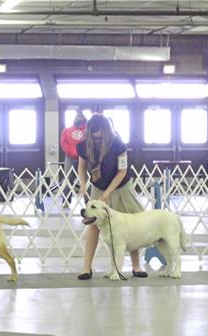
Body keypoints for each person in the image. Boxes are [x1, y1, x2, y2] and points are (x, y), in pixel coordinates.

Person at [76, 114, 147, 280]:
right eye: (93, 136)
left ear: (106, 131)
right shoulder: (83, 145)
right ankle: (87, 268)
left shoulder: (118, 144)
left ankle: (136, 266)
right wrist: (83, 183)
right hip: (98, 186)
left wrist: (107, 193)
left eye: (99, 136)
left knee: (132, 223)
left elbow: (122, 171)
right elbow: (81, 167)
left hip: (121, 186)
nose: (96, 138)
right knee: (93, 226)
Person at [60, 113, 87, 206]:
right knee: (67, 179)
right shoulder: (67, 130)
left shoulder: (88, 130)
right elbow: (63, 143)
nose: (78, 118)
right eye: (76, 117)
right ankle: (66, 201)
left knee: (86, 179)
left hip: (84, 157)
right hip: (70, 158)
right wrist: (71, 152)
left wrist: (83, 153)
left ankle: (88, 201)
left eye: (80, 117)